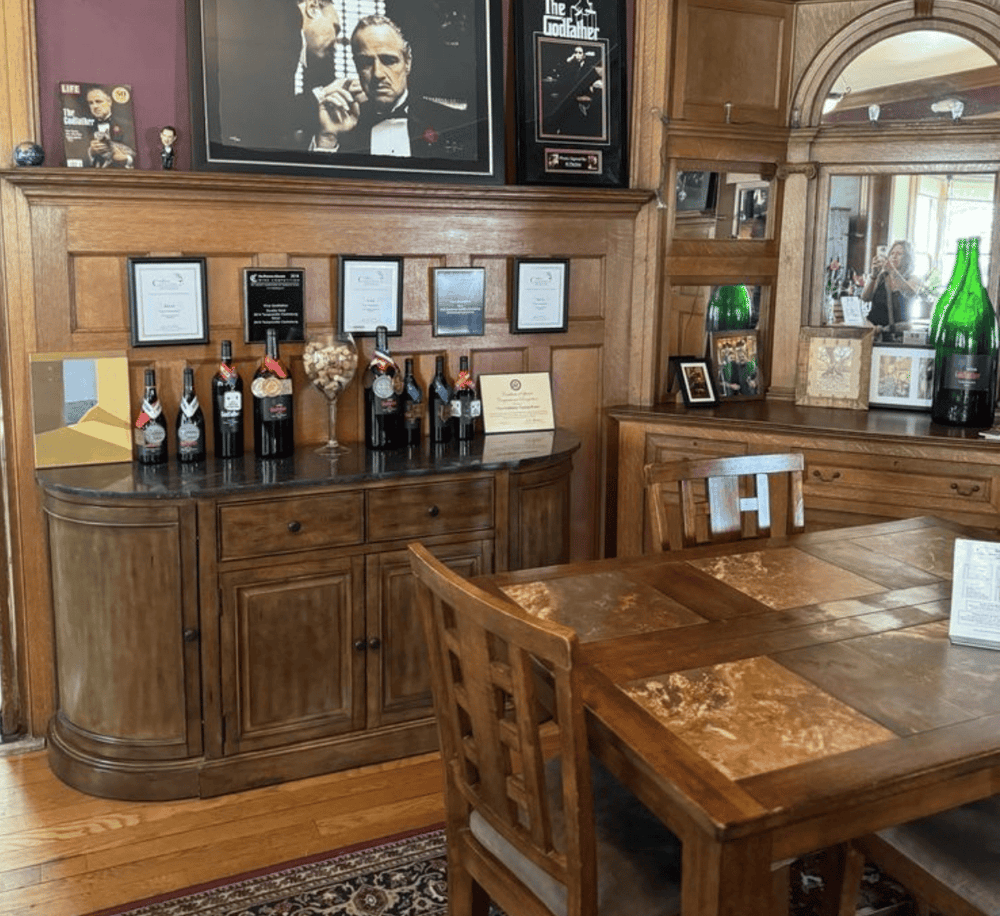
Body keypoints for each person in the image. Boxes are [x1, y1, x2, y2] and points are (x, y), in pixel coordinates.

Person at [314, 15, 475, 158]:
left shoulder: (452, 122)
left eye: (389, 61)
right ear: (356, 66)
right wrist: (328, 137)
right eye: (366, 63)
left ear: (408, 62)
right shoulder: (341, 126)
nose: (378, 74)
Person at [861, 240, 922, 332]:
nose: (894, 256)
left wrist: (892, 270)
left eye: (899, 254)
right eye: (892, 253)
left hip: (899, 333)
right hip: (875, 331)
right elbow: (865, 298)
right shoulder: (881, 277)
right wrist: (873, 275)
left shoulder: (912, 279)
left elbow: (910, 292)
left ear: (908, 259)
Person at [84, 86, 135, 168]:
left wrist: (126, 158)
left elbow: (136, 155)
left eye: (98, 101)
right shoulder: (84, 127)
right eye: (91, 103)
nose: (95, 106)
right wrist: (91, 152)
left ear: (109, 102)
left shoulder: (126, 125)